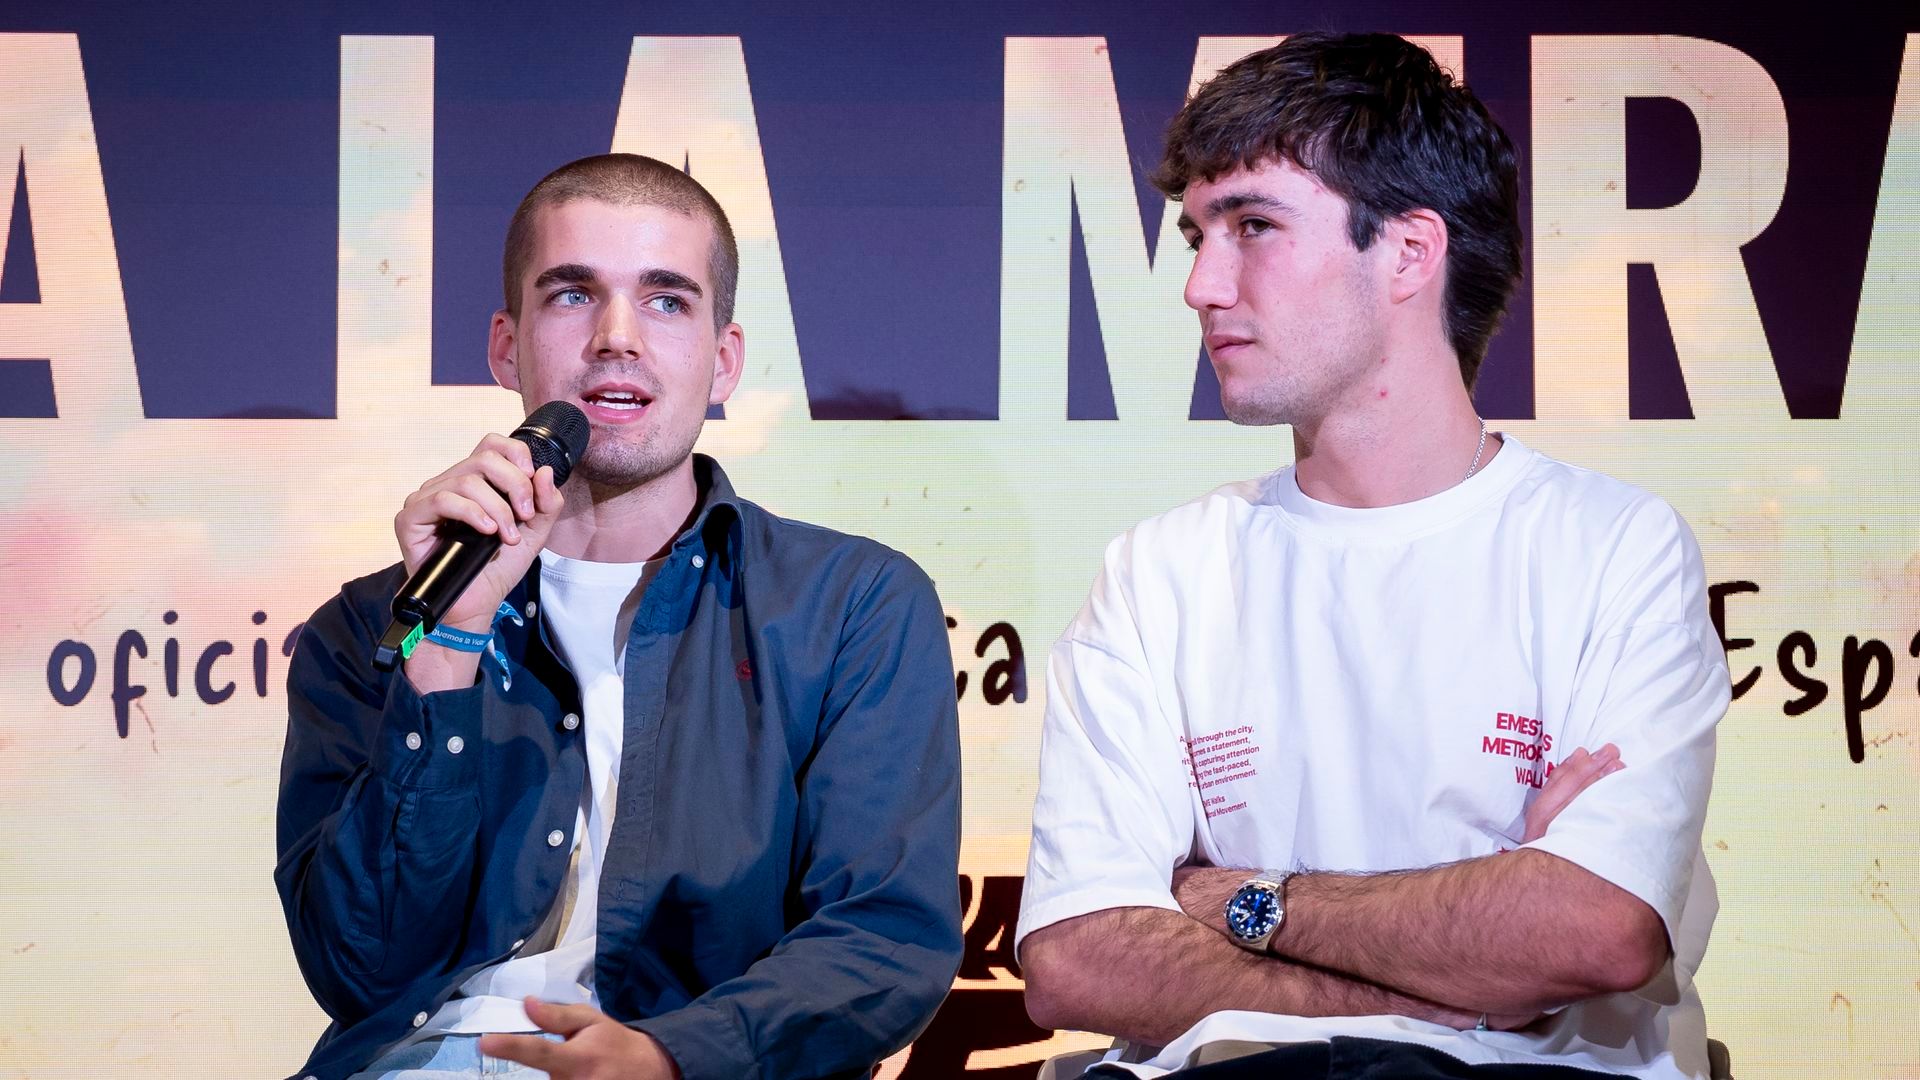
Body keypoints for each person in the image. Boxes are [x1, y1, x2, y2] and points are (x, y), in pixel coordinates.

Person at [1016, 33, 1728, 1080]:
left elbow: (1591, 930)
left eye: (1252, 226)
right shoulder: (1161, 571)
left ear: (1407, 252)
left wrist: (1232, 900)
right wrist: (1470, 952)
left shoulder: (1613, 546)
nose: (1201, 286)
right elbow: (1080, 959)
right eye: (1195, 237)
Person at [276, 153, 963, 1080]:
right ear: (504, 347)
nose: (616, 337)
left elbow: (885, 940)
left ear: (723, 362)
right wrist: (447, 648)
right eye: (571, 295)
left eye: (667, 300)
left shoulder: (851, 605)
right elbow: (356, 966)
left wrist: (672, 1057)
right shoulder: (373, 625)